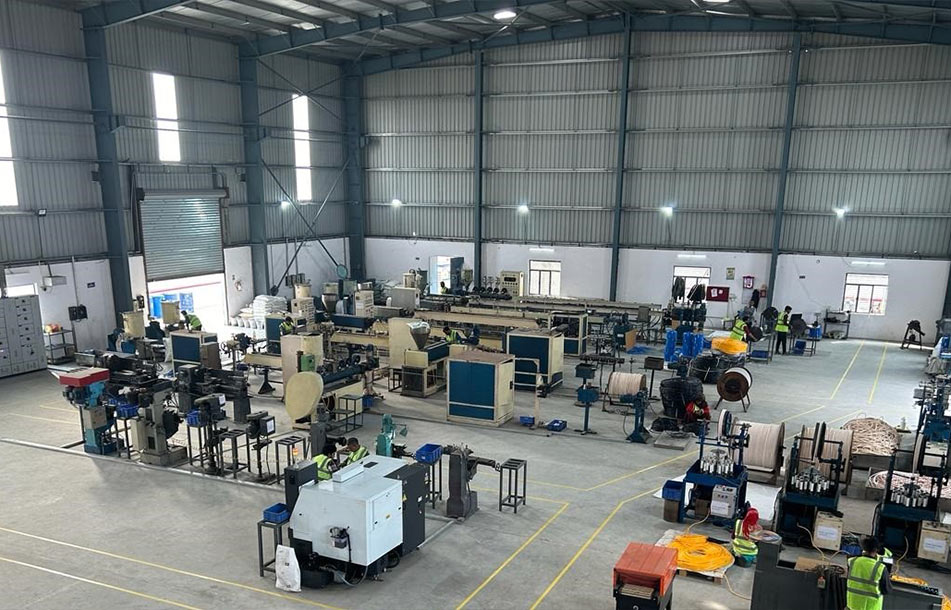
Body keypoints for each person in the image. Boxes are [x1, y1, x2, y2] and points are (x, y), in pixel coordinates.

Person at [847, 537, 891, 610]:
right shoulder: (880, 568)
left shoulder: (852, 562)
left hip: (852, 606)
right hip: (872, 607)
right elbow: (886, 590)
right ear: (876, 550)